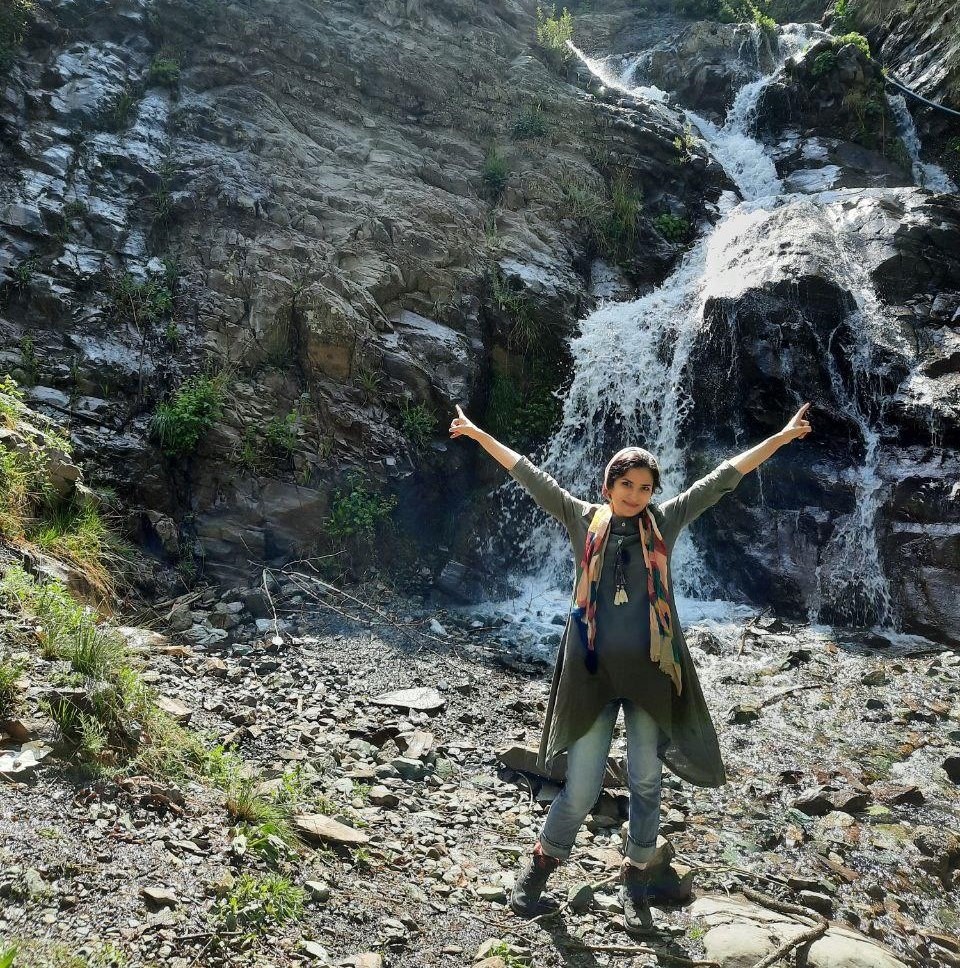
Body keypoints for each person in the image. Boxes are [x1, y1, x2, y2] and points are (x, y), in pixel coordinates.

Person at [449, 401, 812, 933]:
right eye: (628, 485)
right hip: (591, 672)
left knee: (645, 780)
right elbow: (527, 472)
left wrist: (780, 438)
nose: (636, 496)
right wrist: (479, 434)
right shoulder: (580, 518)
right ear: (608, 485)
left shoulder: (665, 522)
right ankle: (538, 869)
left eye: (645, 488)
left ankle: (635, 878)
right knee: (582, 787)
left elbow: (723, 477)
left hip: (649, 673)